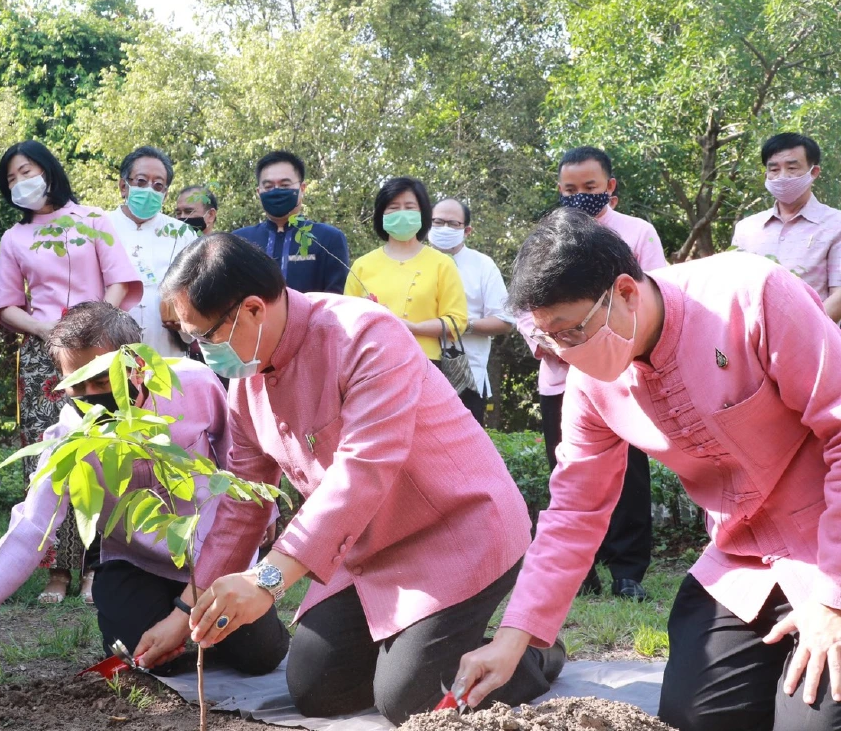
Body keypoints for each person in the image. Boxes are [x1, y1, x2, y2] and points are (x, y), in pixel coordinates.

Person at [457, 208, 841, 731]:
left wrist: (832, 600)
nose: (564, 354)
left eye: (571, 332)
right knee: (692, 720)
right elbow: (574, 511)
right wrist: (510, 640)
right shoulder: (591, 386)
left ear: (625, 292)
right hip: (742, 561)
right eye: (550, 340)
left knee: (816, 719)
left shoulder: (751, 295)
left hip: (829, 547)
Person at [160, 233, 563, 725]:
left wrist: (267, 579)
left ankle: (536, 654)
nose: (202, 353)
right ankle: (414, 646)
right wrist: (185, 613)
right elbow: (244, 504)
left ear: (250, 310)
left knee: (409, 700)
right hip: (364, 548)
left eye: (204, 336)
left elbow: (363, 470)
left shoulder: (365, 335)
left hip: (457, 530)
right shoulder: (247, 386)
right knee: (317, 689)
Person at [0, 302, 289, 681]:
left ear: (136, 364)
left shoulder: (194, 383)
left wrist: (263, 517)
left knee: (261, 656)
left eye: (102, 380)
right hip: (137, 560)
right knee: (141, 656)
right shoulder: (69, 438)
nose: (92, 394)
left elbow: (238, 456)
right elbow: (29, 530)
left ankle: (201, 628)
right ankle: (175, 625)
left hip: (214, 552)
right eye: (77, 385)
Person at [0, 140, 142, 603]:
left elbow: (121, 278)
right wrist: (44, 329)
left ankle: (99, 568)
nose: (21, 182)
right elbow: (3, 305)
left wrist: (97, 322)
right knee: (49, 459)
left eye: (27, 171)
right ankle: (57, 572)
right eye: (12, 178)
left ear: (50, 170)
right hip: (43, 353)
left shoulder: (92, 219)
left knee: (104, 454)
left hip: (100, 349)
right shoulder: (14, 238)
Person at [517, 146, 667, 601]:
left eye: (590, 188)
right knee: (566, 471)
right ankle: (579, 571)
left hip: (621, 375)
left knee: (629, 473)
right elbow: (526, 307)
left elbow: (658, 291)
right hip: (561, 376)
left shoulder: (636, 233)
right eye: (569, 189)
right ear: (558, 189)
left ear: (610, 187)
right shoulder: (546, 237)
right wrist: (549, 342)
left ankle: (628, 570)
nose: (579, 196)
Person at [344, 177, 468, 372]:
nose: (402, 213)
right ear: (381, 214)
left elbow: (457, 322)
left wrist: (412, 328)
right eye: (393, 207)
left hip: (425, 367)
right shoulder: (362, 266)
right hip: (371, 367)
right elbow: (346, 324)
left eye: (410, 207)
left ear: (423, 213)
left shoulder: (442, 264)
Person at [732, 132, 841, 322]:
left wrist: (799, 335)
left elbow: (839, 297)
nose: (782, 176)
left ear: (814, 172)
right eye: (774, 169)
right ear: (766, 175)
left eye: (792, 167)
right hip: (753, 342)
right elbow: (735, 289)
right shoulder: (746, 229)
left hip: (815, 342)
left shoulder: (835, 224)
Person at [429, 198, 515, 426]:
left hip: (466, 377)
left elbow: (504, 321)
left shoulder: (482, 265)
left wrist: (460, 325)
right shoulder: (414, 263)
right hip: (418, 372)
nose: (444, 228)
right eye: (437, 222)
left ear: (467, 230)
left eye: (452, 224)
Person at [108, 146, 197, 358]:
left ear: (165, 194)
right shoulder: (101, 226)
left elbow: (197, 289)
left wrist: (185, 318)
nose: (149, 190)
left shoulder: (182, 233)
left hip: (167, 351)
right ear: (123, 186)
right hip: (109, 350)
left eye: (158, 185)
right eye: (140, 181)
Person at [233, 151, 350, 294]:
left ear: (302, 189)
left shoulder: (328, 238)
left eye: (284, 185)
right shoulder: (239, 241)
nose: (276, 191)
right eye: (268, 186)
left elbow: (337, 301)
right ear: (259, 192)